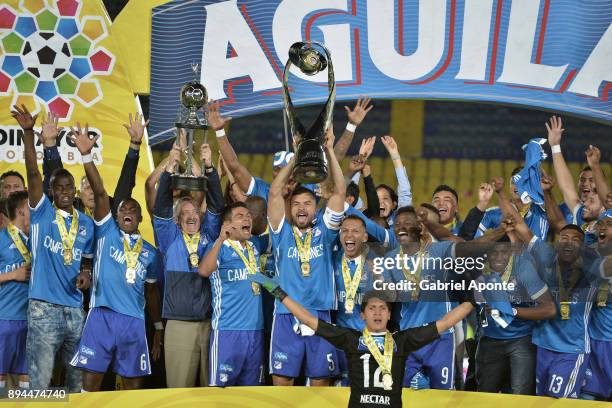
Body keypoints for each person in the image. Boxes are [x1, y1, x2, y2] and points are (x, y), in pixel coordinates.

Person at [253, 269, 475, 408]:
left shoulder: (402, 341)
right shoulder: (351, 339)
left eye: (382, 308)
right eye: (372, 308)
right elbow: (310, 321)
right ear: (362, 315)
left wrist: (475, 298)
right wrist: (279, 293)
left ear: (389, 314)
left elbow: (445, 323)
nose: (377, 312)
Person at [67, 125, 163, 391]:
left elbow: (152, 292)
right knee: (90, 388)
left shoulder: (151, 253)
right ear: (116, 216)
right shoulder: (106, 230)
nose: (128, 210)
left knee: (132, 392)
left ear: (140, 219)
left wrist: (158, 327)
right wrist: (86, 156)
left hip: (134, 321)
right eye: (123, 209)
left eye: (134, 209)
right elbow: (99, 193)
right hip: (101, 317)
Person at [12, 105, 94, 392]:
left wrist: (86, 274)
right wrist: (27, 133)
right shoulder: (42, 212)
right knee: (40, 383)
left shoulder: (85, 224)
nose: (65, 191)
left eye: (69, 186)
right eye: (58, 187)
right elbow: (33, 173)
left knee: (76, 384)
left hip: (74, 310)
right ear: (50, 192)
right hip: (43, 309)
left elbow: (86, 262)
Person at [267, 129, 345, 386]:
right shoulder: (282, 233)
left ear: (315, 208)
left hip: (320, 313)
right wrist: (297, 155)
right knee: (282, 384)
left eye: (308, 203)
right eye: (297, 203)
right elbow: (275, 193)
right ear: (291, 208)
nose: (302, 207)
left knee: (320, 384)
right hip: (286, 314)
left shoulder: (325, 231)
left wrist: (330, 151)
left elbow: (339, 192)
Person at [152, 142, 223, 388]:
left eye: (194, 211)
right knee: (179, 394)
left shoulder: (210, 234)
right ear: (177, 220)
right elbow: (160, 205)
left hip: (209, 324)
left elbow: (216, 204)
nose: (191, 215)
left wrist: (210, 169)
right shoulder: (169, 237)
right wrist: (169, 169)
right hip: (179, 325)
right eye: (185, 212)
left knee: (210, 394)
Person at [474, 241, 556, 395]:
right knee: (484, 395)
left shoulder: (523, 269)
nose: (498, 257)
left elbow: (549, 309)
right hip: (489, 338)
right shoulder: (478, 268)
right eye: (493, 252)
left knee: (520, 396)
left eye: (504, 252)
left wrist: (511, 311)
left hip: (521, 339)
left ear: (511, 252)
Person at [199, 202, 266, 386]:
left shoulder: (254, 247)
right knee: (221, 392)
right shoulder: (220, 247)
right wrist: (220, 239)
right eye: (240, 216)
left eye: (248, 216)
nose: (247, 219)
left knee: (253, 392)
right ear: (228, 224)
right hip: (227, 331)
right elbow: (204, 271)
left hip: (255, 331)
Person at [333, 215, 377, 385]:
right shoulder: (331, 260)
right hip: (338, 339)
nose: (349, 235)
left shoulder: (377, 264)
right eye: (344, 231)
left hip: (366, 341)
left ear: (365, 237)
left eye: (355, 231)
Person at [0, 191, 31, 389]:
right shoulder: (1, 239)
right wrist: (13, 275)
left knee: (26, 375)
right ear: (21, 211)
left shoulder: (37, 240)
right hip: (5, 319)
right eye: (31, 207)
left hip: (33, 321)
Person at [581, 210, 612, 400]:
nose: (602, 227)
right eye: (601, 223)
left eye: (608, 224)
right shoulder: (590, 254)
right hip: (591, 341)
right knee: (587, 398)